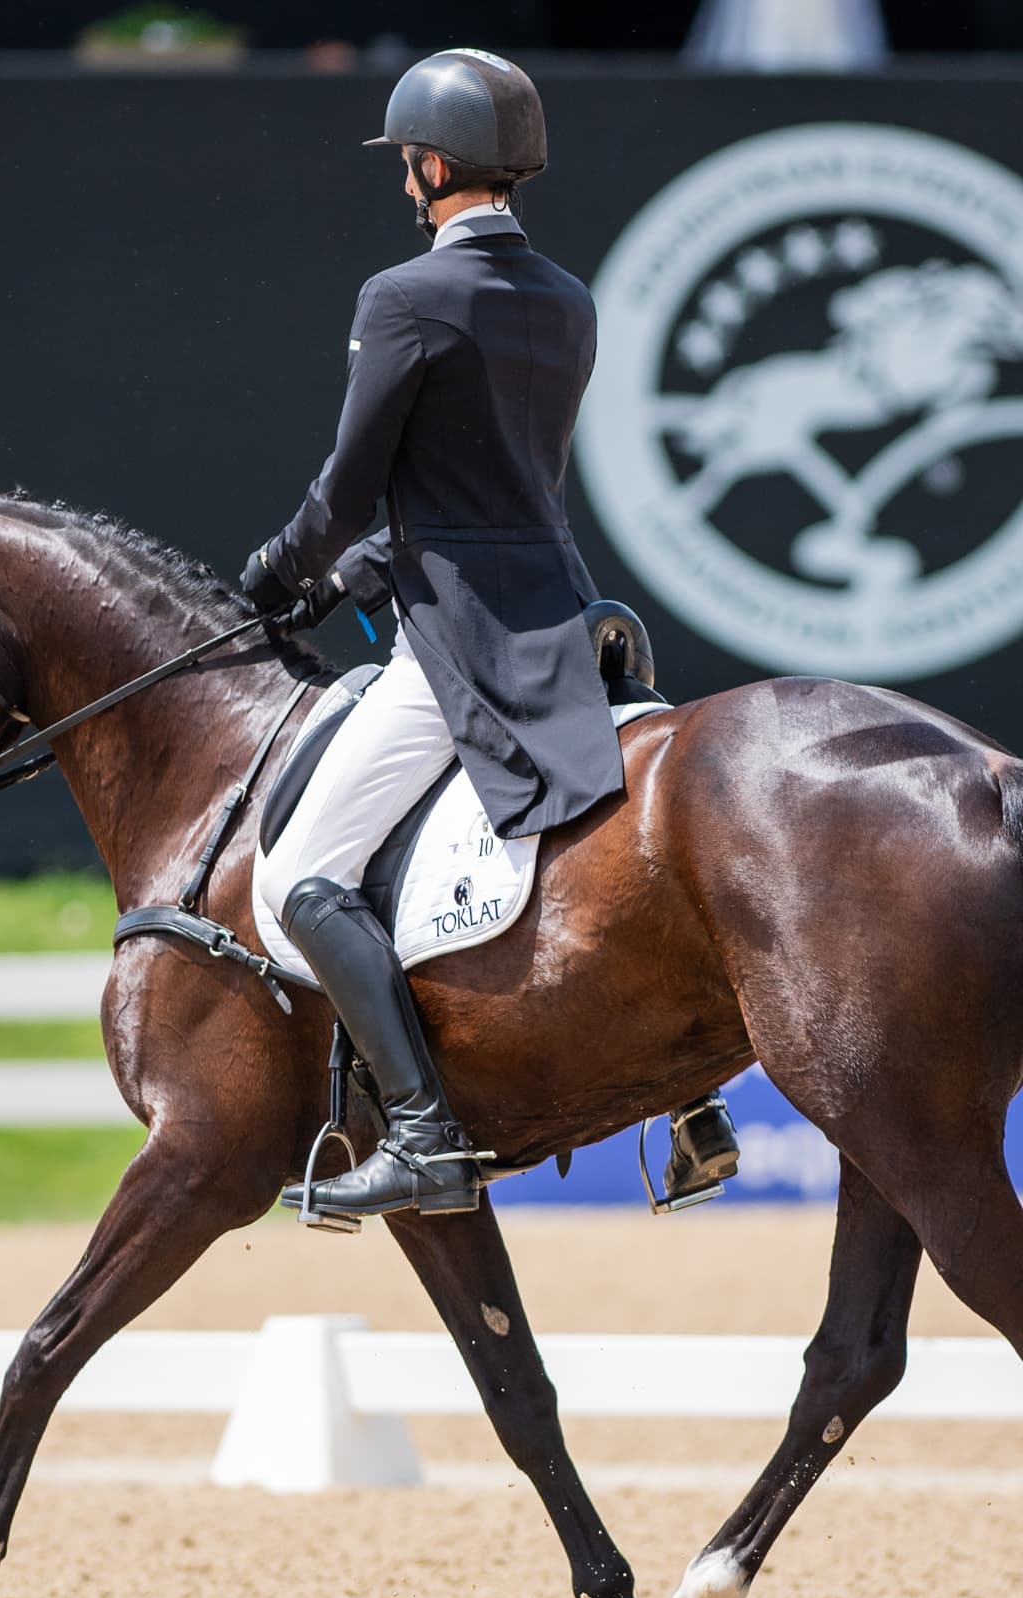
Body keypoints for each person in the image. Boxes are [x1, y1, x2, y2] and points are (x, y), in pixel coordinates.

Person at [239, 48, 738, 1227]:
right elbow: (494, 490)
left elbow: (353, 485)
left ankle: (420, 1134)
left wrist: (280, 570)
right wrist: (353, 579)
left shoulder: (402, 297)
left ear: (425, 165)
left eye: (405, 166)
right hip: (564, 612)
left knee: (302, 876)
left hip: (457, 645)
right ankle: (696, 1100)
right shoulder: (569, 299)